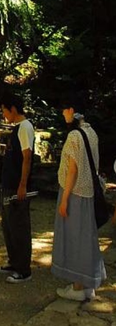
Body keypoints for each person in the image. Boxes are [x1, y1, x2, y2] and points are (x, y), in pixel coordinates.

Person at [51, 101, 106, 301]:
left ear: (72, 111)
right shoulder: (91, 132)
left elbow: (72, 170)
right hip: (88, 194)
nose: (63, 114)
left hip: (74, 193)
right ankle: (88, 284)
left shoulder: (74, 136)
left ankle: (77, 287)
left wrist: (64, 200)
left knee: (73, 239)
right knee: (86, 239)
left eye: (65, 110)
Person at [0, 94, 35, 283]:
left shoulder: (25, 127)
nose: (3, 114)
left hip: (17, 186)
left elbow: (27, 157)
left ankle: (23, 269)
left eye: (4, 110)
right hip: (8, 183)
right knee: (9, 225)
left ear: (12, 109)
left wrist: (23, 185)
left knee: (19, 226)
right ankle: (13, 261)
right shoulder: (17, 128)